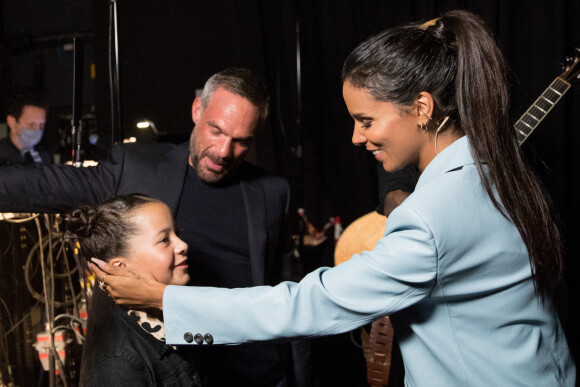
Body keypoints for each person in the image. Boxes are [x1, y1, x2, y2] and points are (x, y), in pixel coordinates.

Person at [91, 10, 575, 386]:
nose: (356, 138)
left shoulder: (430, 215)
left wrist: (165, 299)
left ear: (422, 107)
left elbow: (311, 304)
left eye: (366, 120)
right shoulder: (494, 169)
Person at [0, 68, 293, 386]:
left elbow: (285, 296)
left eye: (240, 141)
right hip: (163, 374)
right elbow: (47, 185)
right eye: (216, 131)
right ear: (197, 110)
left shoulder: (272, 193)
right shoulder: (137, 168)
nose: (223, 151)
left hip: (252, 375)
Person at [66, 194, 202, 386]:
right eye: (164, 240)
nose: (183, 245)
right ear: (120, 267)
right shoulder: (117, 363)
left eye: (177, 233)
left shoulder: (173, 319)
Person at [0, 92, 51, 165]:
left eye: (41, 125)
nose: (38, 129)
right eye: (31, 124)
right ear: (11, 122)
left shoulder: (43, 154)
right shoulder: (3, 156)